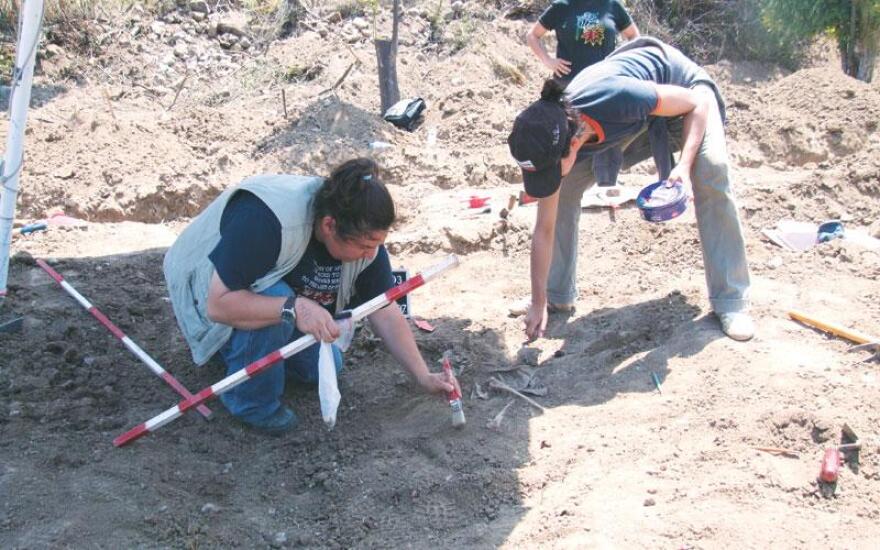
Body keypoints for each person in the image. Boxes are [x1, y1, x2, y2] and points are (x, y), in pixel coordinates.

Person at [163, 158, 459, 435]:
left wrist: (422, 375)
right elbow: (218, 303)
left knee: (320, 368)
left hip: (267, 297)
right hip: (204, 291)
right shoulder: (266, 220)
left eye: (377, 244)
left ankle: (251, 353)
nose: (372, 254)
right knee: (277, 300)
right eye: (366, 245)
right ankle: (250, 402)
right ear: (330, 225)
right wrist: (295, 307)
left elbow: (383, 308)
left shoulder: (362, 235)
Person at [508, 37, 754, 343]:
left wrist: (683, 168)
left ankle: (731, 301)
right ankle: (556, 296)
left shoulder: (616, 97)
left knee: (711, 170)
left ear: (571, 147)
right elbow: (544, 229)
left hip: (684, 97)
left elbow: (697, 103)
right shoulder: (550, 129)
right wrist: (538, 298)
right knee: (565, 187)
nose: (548, 179)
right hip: (639, 117)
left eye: (549, 171)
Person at [526, 0, 640, 187]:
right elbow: (533, 35)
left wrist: (621, 63)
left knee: (605, 131)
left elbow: (634, 37)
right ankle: (557, 180)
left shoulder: (611, 5)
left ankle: (606, 183)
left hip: (603, 85)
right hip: (569, 87)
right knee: (565, 135)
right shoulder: (562, 6)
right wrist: (548, 61)